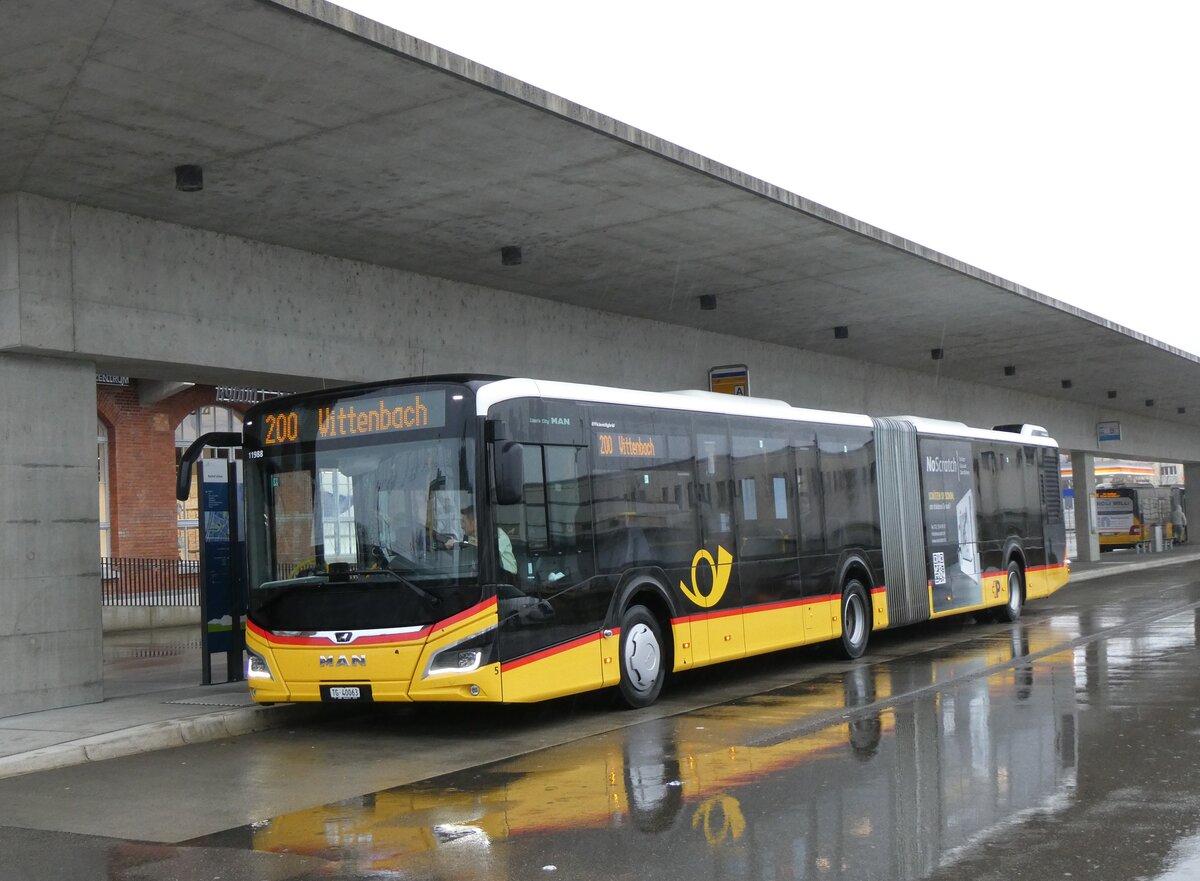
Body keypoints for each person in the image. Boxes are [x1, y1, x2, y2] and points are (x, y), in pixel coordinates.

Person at [445, 504, 517, 575]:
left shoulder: (497, 534)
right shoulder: (473, 538)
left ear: (475, 522)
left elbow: (488, 550)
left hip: (506, 578)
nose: (462, 526)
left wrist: (458, 543)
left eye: (464, 522)